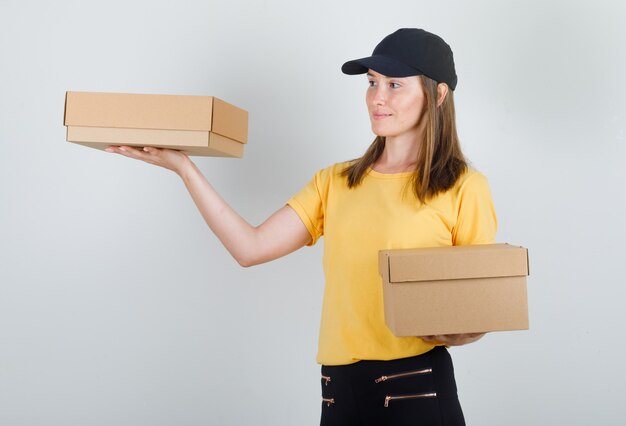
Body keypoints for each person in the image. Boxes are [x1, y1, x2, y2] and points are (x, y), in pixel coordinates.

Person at [106, 28, 497, 426]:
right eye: (372, 83)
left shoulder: (463, 187)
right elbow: (250, 248)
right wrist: (185, 168)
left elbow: (479, 308)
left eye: (394, 84)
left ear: (439, 94)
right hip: (339, 390)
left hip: (416, 385)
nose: (377, 97)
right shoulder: (337, 182)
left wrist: (461, 331)